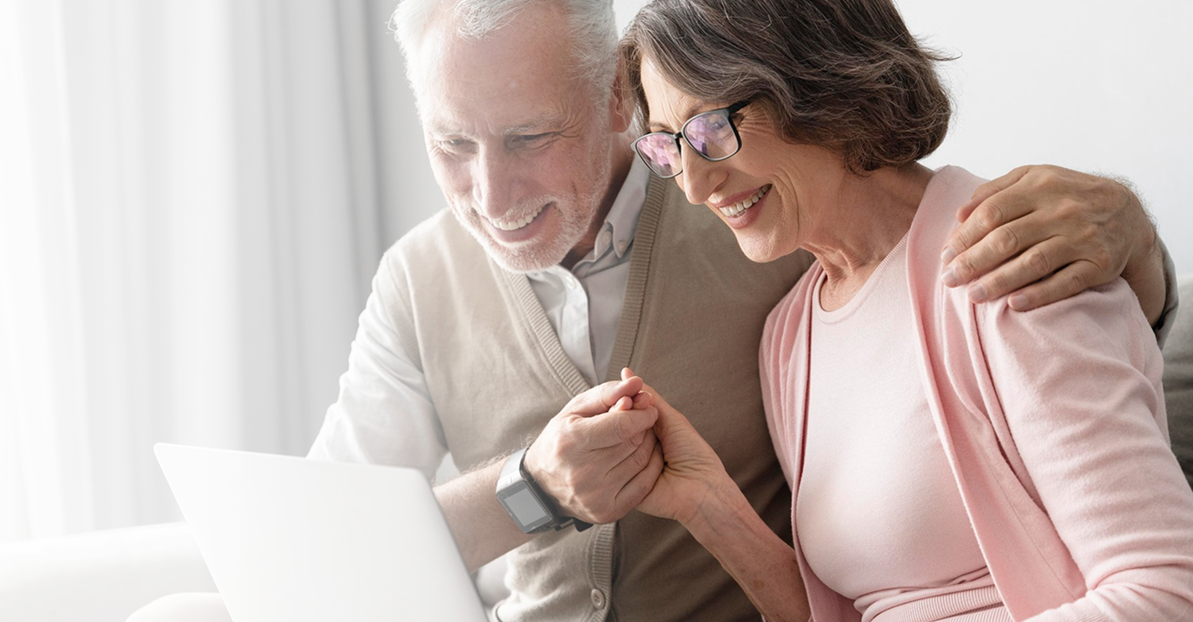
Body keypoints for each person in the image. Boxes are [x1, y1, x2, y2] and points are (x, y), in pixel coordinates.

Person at [127, 1, 1180, 620]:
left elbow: (946, 277)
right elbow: (322, 549)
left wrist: (1136, 247)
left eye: (529, 137)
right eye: (451, 145)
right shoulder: (421, 280)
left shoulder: (780, 235)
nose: (490, 193)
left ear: (610, 105)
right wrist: (541, 493)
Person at [614, 0, 1193, 620]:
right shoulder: (789, 337)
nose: (694, 186)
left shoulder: (1007, 262)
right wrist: (705, 501)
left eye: (710, 129)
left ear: (817, 85)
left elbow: (1164, 589)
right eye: (669, 146)